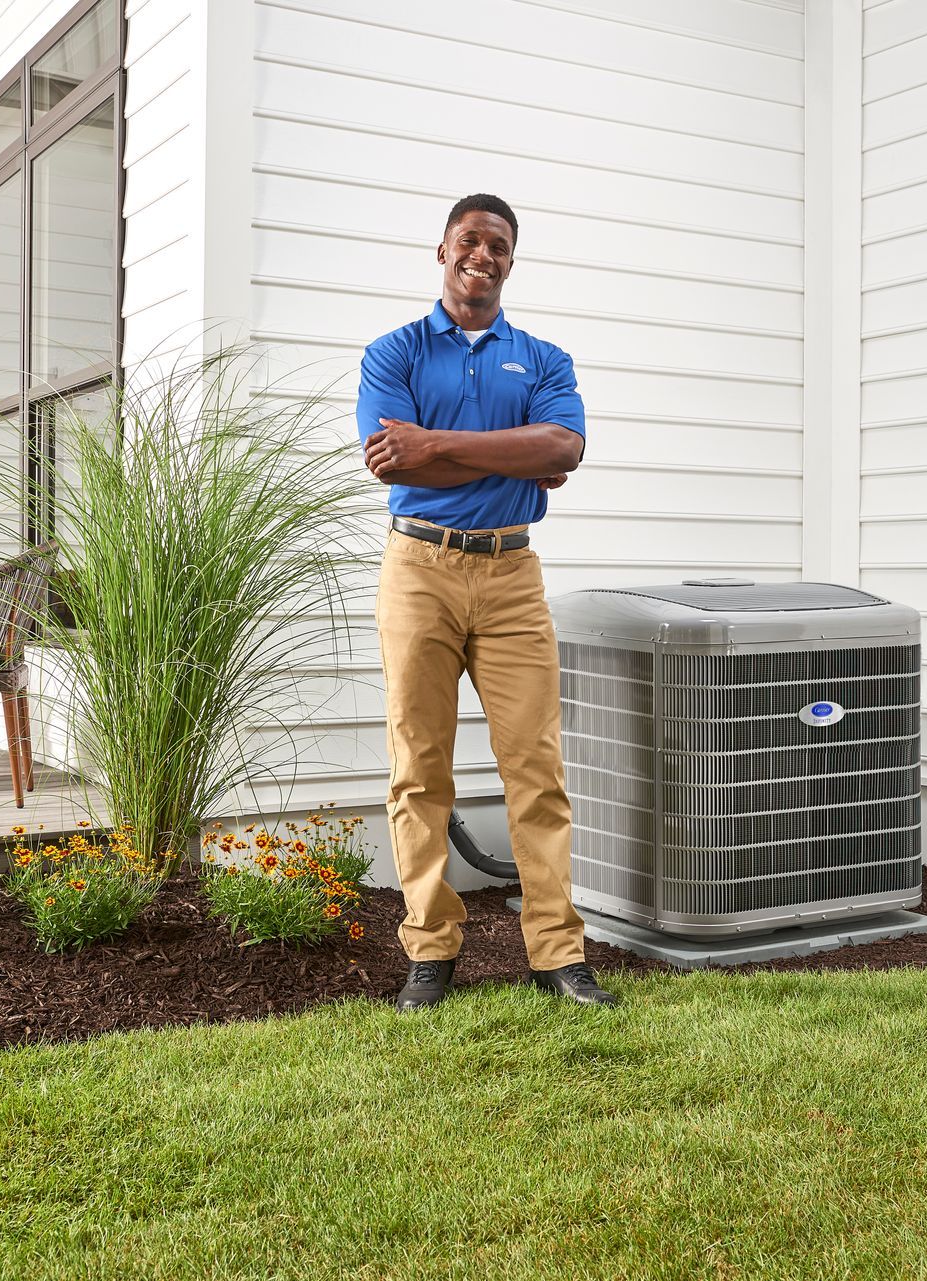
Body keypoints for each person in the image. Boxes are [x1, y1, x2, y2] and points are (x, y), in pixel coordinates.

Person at [357, 193, 617, 1012]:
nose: (484, 253)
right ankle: (430, 950)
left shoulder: (542, 358)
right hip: (419, 570)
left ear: (511, 259)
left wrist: (435, 441)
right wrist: (509, 456)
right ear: (442, 250)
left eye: (499, 244)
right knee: (419, 767)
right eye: (470, 240)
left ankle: (557, 953)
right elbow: (395, 465)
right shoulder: (392, 352)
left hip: (511, 576)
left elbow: (565, 444)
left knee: (537, 770)